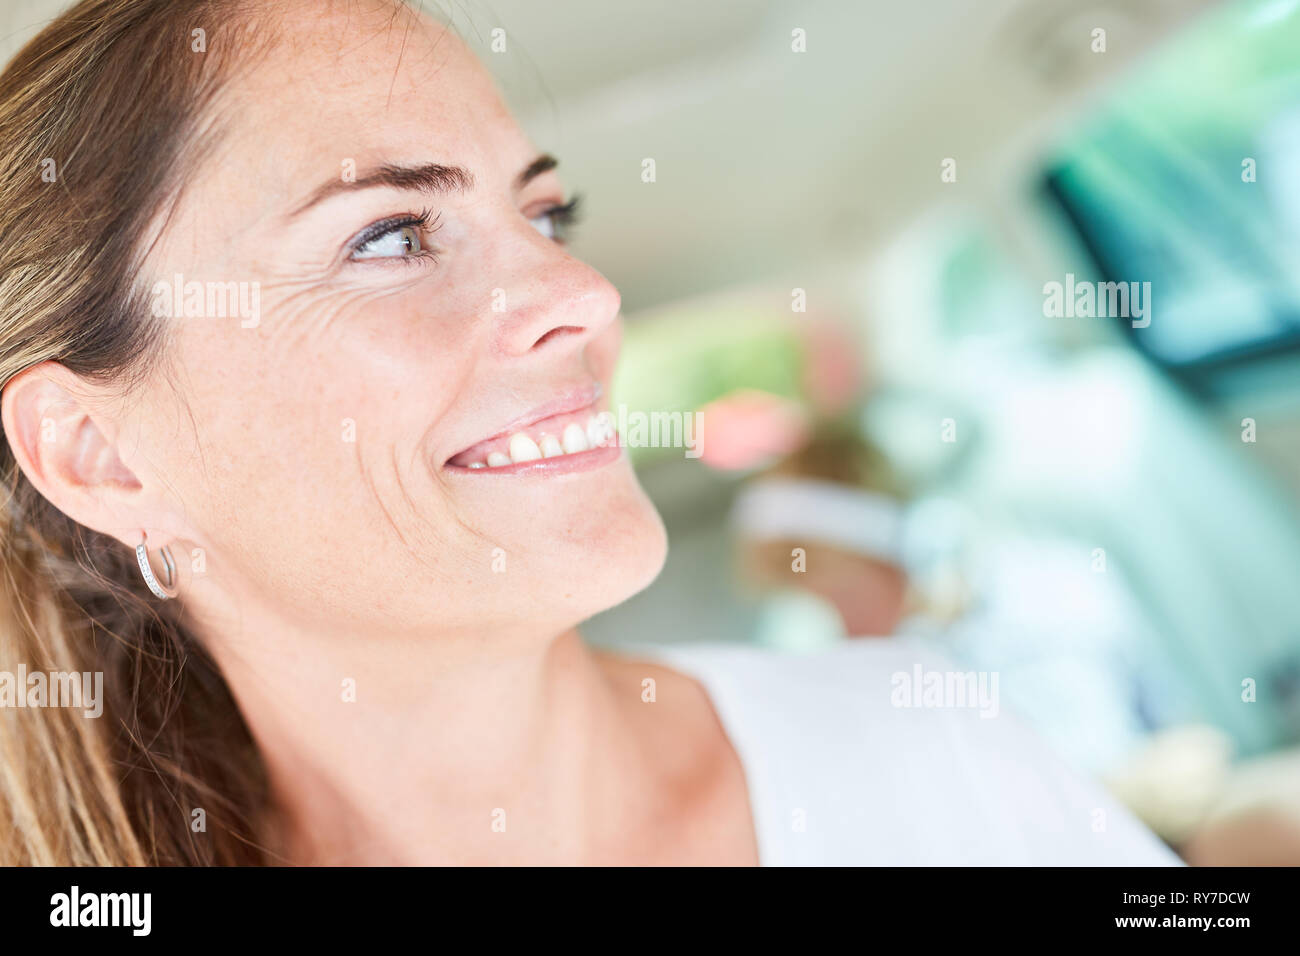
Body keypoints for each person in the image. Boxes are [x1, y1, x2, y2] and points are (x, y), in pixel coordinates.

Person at [0, 0, 1178, 866]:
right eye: (389, 235)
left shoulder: (929, 750)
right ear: (99, 454)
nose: (587, 291)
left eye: (545, 209)